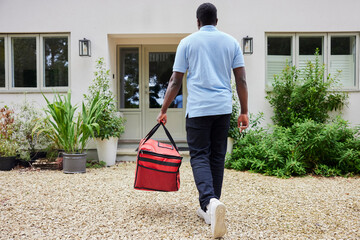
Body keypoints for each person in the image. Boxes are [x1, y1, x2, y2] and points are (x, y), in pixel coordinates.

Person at [156, 2, 248, 238]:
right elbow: (241, 81)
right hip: (223, 109)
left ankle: (209, 202)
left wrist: (164, 108)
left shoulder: (187, 42)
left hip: (198, 110)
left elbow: (175, 81)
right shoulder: (231, 42)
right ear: (217, 21)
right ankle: (212, 207)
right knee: (217, 155)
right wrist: (244, 111)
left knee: (199, 155)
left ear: (197, 22)